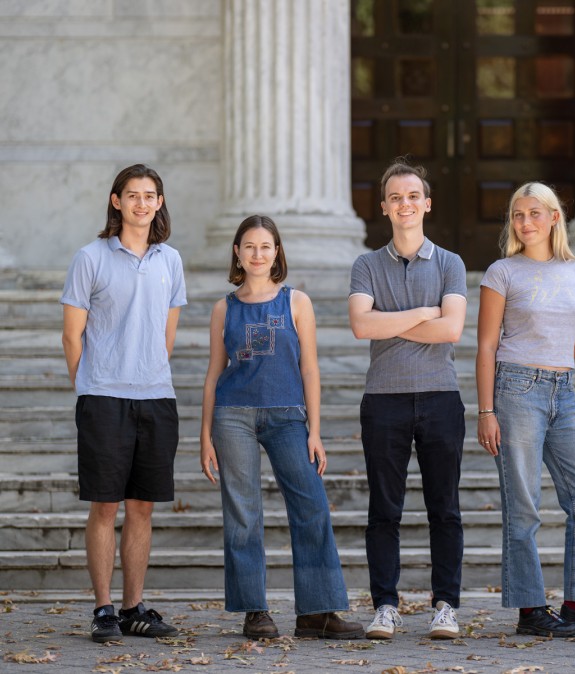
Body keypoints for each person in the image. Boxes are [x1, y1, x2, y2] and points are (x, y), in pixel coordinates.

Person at [200, 215, 363, 640]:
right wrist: (204, 435)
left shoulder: (296, 302)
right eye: (249, 246)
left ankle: (317, 612)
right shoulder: (224, 308)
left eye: (266, 246)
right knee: (243, 513)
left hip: (289, 416)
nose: (257, 253)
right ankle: (254, 611)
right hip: (232, 416)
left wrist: (315, 430)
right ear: (237, 251)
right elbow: (214, 373)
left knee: (311, 506)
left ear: (277, 252)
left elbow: (309, 367)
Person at [476, 182, 575, 637]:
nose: (525, 222)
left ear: (554, 217)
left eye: (535, 213)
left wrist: (559, 365)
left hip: (563, 389)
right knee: (524, 506)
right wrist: (486, 410)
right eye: (518, 215)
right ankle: (530, 610)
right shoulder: (502, 272)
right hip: (517, 387)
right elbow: (485, 345)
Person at [61, 164, 186, 643]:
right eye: (131, 195)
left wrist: (145, 373)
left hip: (156, 397)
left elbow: (166, 335)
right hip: (103, 399)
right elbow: (72, 335)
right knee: (104, 508)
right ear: (116, 201)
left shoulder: (170, 260)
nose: (141, 203)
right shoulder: (90, 257)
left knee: (142, 509)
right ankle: (103, 609)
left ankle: (134, 607)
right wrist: (91, 386)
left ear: (159, 202)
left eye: (149, 195)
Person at [349, 160, 467, 640]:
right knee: (384, 511)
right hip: (384, 399)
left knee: (446, 509)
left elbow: (452, 329)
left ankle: (446, 606)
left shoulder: (450, 263)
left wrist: (390, 320)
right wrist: (422, 313)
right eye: (396, 197)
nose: (405, 204)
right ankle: (385, 606)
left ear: (427, 203)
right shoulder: (366, 264)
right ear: (384, 207)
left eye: (413, 196)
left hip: (440, 397)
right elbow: (361, 326)